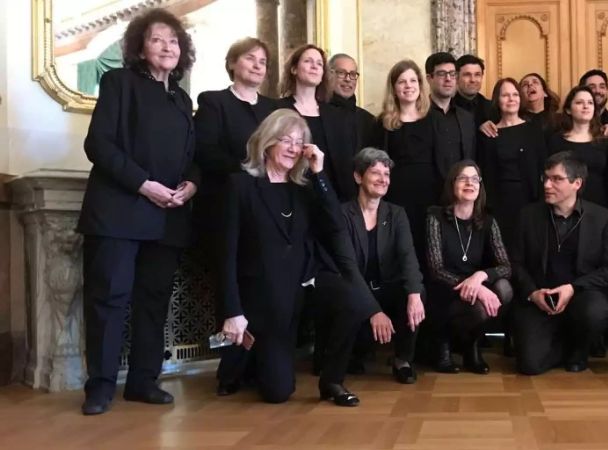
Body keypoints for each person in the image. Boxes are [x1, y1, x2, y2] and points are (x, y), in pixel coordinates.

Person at [216, 109, 392, 406]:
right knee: (278, 393)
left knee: (353, 301)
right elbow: (226, 254)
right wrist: (233, 312)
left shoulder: (305, 187)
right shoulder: (240, 186)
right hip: (265, 297)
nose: (293, 148)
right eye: (286, 140)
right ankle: (248, 355)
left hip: (306, 282)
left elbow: (337, 223)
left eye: (299, 142)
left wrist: (319, 172)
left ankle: (332, 381)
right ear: (267, 142)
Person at [77, 8, 198, 416]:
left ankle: (144, 381)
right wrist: (144, 184)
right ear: (139, 47)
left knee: (154, 300)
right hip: (119, 211)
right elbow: (99, 145)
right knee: (109, 299)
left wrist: (191, 185)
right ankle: (101, 387)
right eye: (157, 39)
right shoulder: (118, 82)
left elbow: (191, 156)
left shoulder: (182, 98)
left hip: (168, 215)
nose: (167, 47)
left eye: (174, 41)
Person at [194, 38, 277, 343]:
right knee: (232, 280)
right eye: (250, 58)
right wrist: (247, 167)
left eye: (262, 62)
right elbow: (205, 151)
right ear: (231, 64)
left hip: (267, 207)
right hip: (227, 206)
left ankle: (262, 351)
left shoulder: (273, 108)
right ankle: (232, 360)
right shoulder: (213, 101)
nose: (257, 65)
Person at [512, 152, 608, 375]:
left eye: (556, 179)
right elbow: (515, 263)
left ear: (577, 183)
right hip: (540, 298)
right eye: (545, 178)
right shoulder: (528, 215)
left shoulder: (602, 218)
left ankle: (579, 349)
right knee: (529, 366)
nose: (547, 185)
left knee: (595, 311)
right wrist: (532, 293)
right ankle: (563, 343)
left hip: (581, 295)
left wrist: (573, 288)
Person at [340, 148, 425, 384]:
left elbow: (408, 257)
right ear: (358, 177)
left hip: (387, 287)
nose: (382, 179)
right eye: (375, 172)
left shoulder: (396, 214)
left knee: (415, 293)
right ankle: (354, 352)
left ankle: (402, 360)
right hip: (355, 290)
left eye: (386, 174)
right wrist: (373, 311)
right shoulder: (343, 214)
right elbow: (346, 269)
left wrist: (415, 295)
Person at [425, 161, 513, 374]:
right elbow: (436, 269)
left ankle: (471, 346)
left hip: (474, 287)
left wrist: (480, 277)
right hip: (445, 290)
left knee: (504, 288)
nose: (469, 183)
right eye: (463, 178)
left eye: (475, 179)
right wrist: (475, 287)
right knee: (478, 306)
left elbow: (506, 267)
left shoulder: (488, 221)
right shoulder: (435, 216)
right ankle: (442, 344)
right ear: (452, 184)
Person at [373, 60, 437, 266]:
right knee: (400, 249)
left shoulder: (433, 119)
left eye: (412, 80)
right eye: (402, 82)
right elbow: (377, 163)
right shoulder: (382, 123)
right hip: (396, 196)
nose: (408, 86)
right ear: (394, 88)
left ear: (420, 84)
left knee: (429, 250)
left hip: (431, 196)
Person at [277, 45, 356, 201]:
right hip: (291, 194)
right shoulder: (277, 109)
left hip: (330, 196)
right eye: (308, 61)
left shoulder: (336, 115)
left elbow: (344, 164)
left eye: (319, 64)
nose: (314, 66)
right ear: (294, 69)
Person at [477, 77, 547, 247]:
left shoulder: (533, 130)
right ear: (497, 100)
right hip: (499, 204)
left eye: (515, 94)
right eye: (505, 95)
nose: (511, 99)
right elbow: (485, 173)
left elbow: (543, 167)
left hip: (530, 201)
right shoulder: (489, 133)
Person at [547, 86, 608, 208]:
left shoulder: (604, 141)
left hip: (599, 205)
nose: (586, 106)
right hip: (563, 206)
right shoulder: (555, 141)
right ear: (568, 110)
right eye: (579, 102)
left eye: (590, 103)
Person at [425, 52, 476, 177]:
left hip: (459, 191)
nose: (448, 79)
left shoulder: (467, 118)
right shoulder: (418, 115)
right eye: (442, 74)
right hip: (428, 191)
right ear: (429, 78)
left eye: (452, 74)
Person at [328, 53, 376, 152]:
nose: (348, 79)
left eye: (353, 74)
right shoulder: (317, 113)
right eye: (341, 73)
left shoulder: (368, 121)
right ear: (329, 75)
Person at [453, 54, 492, 129]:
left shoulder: (492, 108)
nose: (473, 80)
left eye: (477, 75)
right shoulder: (447, 107)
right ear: (456, 77)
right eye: (467, 75)